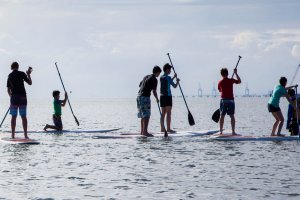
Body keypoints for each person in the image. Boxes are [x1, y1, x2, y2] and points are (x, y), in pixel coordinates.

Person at [7, 62, 32, 139]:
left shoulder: (10, 76)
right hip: (22, 97)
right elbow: (30, 83)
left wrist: (11, 96)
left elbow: (8, 89)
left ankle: (13, 135)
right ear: (18, 67)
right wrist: (28, 74)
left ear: (11, 68)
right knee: (23, 116)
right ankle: (25, 135)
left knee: (13, 117)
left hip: (14, 97)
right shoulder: (22, 73)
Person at [137, 66, 162, 137]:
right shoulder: (154, 79)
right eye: (159, 73)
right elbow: (154, 91)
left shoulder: (146, 76)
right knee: (147, 115)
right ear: (157, 72)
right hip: (145, 97)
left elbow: (140, 85)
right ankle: (145, 132)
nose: (159, 75)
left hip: (139, 96)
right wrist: (157, 99)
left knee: (142, 115)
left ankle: (142, 131)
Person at [218, 67, 241, 135]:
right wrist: (236, 73)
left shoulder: (220, 82)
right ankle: (233, 132)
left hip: (223, 100)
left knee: (222, 116)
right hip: (231, 101)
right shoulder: (231, 80)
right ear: (227, 73)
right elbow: (239, 81)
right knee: (232, 116)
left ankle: (221, 131)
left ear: (221, 74)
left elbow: (219, 90)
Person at [159, 63, 180, 133]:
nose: (170, 71)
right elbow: (174, 86)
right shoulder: (168, 77)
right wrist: (177, 82)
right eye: (170, 70)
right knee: (168, 113)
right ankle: (168, 129)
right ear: (167, 69)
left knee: (163, 113)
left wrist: (173, 77)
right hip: (168, 97)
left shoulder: (161, 77)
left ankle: (162, 129)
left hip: (161, 97)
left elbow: (168, 81)